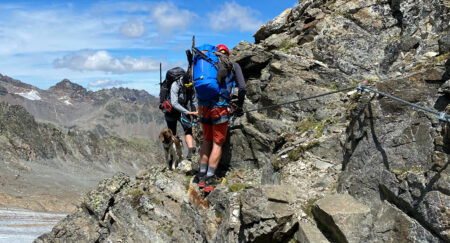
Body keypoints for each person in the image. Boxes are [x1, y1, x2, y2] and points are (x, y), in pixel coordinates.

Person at [196, 44, 246, 192]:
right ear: (227, 54)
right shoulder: (233, 65)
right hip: (220, 107)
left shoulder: (208, 62)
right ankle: (210, 178)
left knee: (206, 140)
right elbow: (242, 87)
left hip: (203, 107)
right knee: (217, 144)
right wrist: (240, 106)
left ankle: (200, 175)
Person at [163, 68, 198, 159]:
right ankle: (173, 156)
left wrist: (194, 113)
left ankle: (190, 153)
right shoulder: (175, 84)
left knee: (188, 130)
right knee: (172, 133)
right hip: (171, 110)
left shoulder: (191, 86)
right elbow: (174, 103)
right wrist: (188, 112)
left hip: (182, 110)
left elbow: (193, 101)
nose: (188, 87)